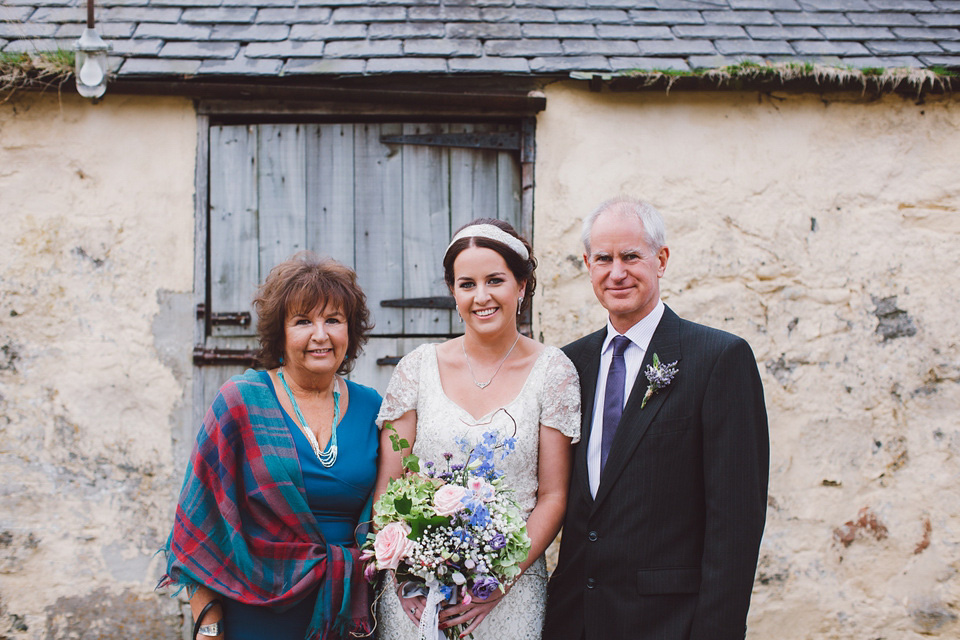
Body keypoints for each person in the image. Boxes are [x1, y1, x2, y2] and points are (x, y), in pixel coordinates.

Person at [544, 197, 769, 640]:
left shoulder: (719, 358)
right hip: (575, 618)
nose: (617, 272)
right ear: (588, 264)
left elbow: (736, 522)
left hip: (669, 623)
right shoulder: (569, 364)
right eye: (604, 259)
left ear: (661, 260)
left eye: (631, 256)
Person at [373, 218, 581, 639]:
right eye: (466, 284)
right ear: (453, 291)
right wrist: (402, 575)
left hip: (508, 595)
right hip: (416, 596)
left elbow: (553, 495)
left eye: (495, 280)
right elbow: (388, 489)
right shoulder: (417, 368)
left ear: (522, 285)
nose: (481, 296)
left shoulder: (553, 371)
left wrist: (499, 580)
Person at [160, 252, 381, 640]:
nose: (320, 335)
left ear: (351, 330)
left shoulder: (373, 408)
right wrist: (208, 629)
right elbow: (202, 526)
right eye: (303, 321)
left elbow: (390, 514)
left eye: (333, 320)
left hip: (345, 612)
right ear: (280, 332)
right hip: (257, 611)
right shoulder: (241, 402)